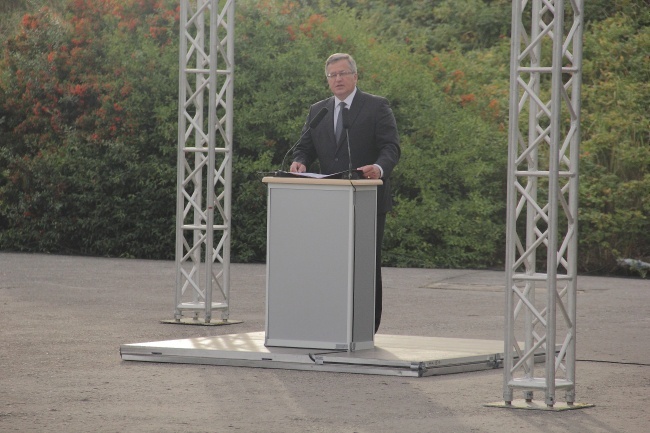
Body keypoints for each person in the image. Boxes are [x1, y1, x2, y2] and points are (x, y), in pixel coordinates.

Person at [290, 53, 400, 333]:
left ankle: (366, 327)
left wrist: (378, 167)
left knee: (365, 264)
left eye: (342, 73)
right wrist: (300, 160)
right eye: (332, 75)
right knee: (330, 263)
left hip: (367, 198)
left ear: (355, 76)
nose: (337, 79)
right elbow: (305, 146)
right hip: (330, 201)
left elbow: (391, 147)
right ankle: (332, 322)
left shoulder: (376, 106)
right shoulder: (319, 110)